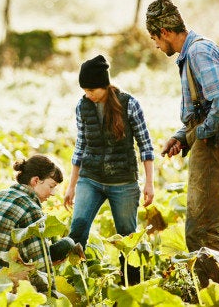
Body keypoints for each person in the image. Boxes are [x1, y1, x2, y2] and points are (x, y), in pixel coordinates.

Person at [145, 0, 219, 253]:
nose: (155, 45)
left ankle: (218, 291)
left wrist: (202, 133)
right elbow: (206, 106)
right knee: (213, 229)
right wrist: (183, 137)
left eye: (154, 37)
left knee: (202, 233)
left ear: (164, 32)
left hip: (213, 145)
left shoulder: (198, 52)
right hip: (214, 141)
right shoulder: (196, 51)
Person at [64, 55, 155, 285]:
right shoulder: (82, 106)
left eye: (92, 89)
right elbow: (80, 146)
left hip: (122, 182)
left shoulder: (129, 104)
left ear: (104, 84)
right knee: (78, 228)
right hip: (91, 178)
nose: (88, 94)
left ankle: (130, 287)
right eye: (85, 89)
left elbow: (145, 145)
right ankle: (77, 283)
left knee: (127, 236)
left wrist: (149, 182)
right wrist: (72, 185)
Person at [0, 154, 74, 291]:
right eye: (51, 186)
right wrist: (50, 295)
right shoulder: (31, 208)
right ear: (36, 181)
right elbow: (42, 265)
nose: (53, 193)